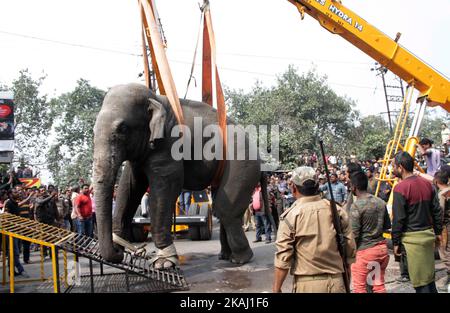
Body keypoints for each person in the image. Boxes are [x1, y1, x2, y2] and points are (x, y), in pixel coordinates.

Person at [273, 167, 356, 293]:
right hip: (337, 281)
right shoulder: (336, 210)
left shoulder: (291, 216)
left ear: (294, 188)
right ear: (318, 186)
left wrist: (276, 288)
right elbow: (349, 249)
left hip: (307, 285)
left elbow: (283, 258)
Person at [391, 152, 442, 293]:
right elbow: (437, 211)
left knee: (421, 284)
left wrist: (395, 243)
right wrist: (437, 233)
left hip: (412, 241)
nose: (392, 169)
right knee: (429, 280)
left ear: (401, 167)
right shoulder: (427, 185)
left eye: (393, 166)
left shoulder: (400, 188)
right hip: (428, 236)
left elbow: (398, 219)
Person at [349, 171, 391, 293]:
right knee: (378, 286)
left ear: (354, 187)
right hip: (381, 250)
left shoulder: (356, 206)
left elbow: (354, 234)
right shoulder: (381, 202)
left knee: (360, 288)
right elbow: (387, 226)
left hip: (365, 253)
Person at [3, 188, 30, 277]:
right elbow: (6, 216)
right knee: (15, 252)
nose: (17, 193)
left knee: (13, 253)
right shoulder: (8, 203)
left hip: (16, 230)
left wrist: (29, 196)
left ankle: (11, 271)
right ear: (10, 194)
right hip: (10, 231)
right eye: (15, 192)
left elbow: (20, 203)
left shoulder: (14, 202)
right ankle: (20, 269)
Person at [433, 170, 450, 291]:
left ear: (437, 181)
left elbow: (440, 214)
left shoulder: (441, 195)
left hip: (445, 228)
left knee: (445, 254)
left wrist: (437, 231)